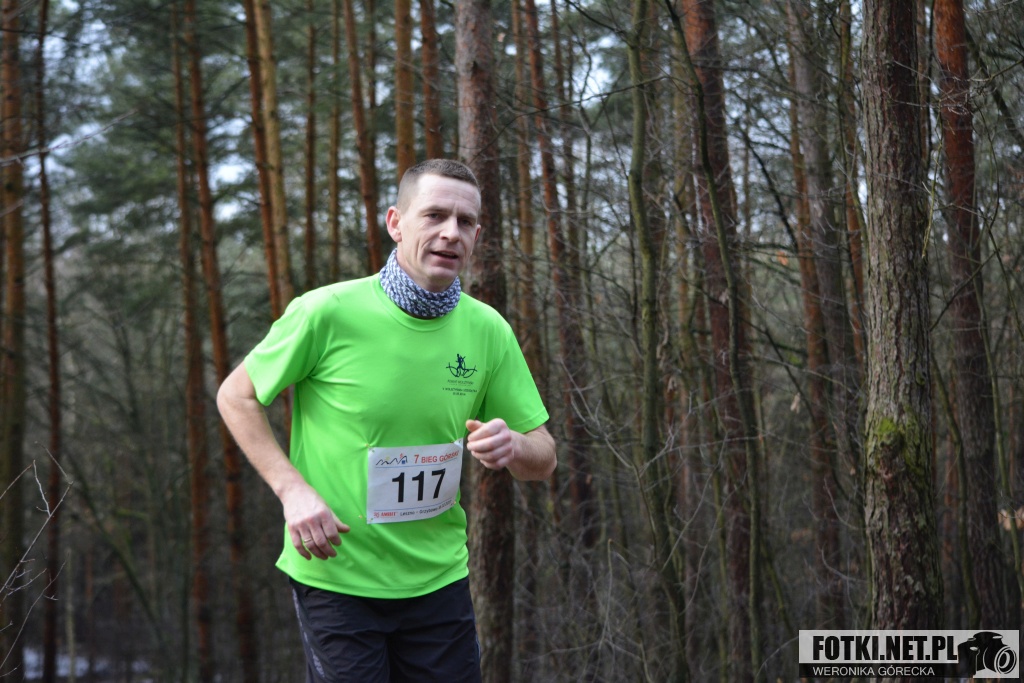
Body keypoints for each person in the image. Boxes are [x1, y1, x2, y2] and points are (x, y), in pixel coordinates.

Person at [217, 158, 556, 683]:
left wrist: (514, 445)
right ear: (396, 223)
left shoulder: (488, 330)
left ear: (477, 235)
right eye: (435, 215)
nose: (451, 232)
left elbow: (544, 457)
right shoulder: (327, 312)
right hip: (338, 579)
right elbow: (236, 396)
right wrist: (292, 491)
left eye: (465, 221)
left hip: (439, 581)